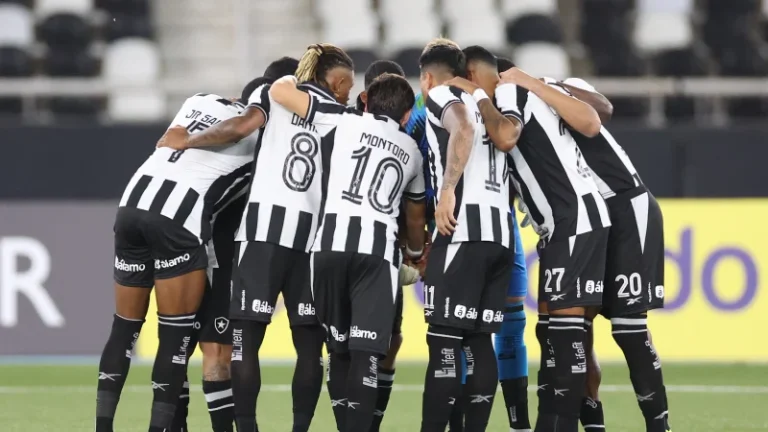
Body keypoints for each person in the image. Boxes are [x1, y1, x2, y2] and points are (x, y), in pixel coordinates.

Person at [159, 44, 354, 432]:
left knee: (245, 342)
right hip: (309, 242)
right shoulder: (341, 117)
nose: (349, 92)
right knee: (309, 350)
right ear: (337, 81)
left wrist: (189, 140)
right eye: (347, 84)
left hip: (261, 235)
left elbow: (240, 127)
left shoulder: (274, 92)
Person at [270, 71, 426, 432]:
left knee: (339, 350)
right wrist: (415, 254)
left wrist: (293, 78)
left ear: (366, 102)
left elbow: (283, 94)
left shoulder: (341, 121)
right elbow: (415, 218)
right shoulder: (412, 152)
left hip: (328, 248)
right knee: (367, 356)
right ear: (407, 115)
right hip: (376, 254)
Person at [97, 91, 259, 432]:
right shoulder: (262, 135)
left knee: (123, 329)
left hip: (132, 204)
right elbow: (238, 130)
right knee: (174, 337)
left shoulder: (198, 99)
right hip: (178, 217)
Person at [169, 57, 300, 432]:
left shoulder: (219, 130)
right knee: (218, 352)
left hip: (177, 243)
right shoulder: (258, 140)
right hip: (221, 254)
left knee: (177, 348)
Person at [493, 65, 612, 431]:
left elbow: (600, 114)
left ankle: (570, 422)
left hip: (577, 220)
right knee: (551, 333)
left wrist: (538, 83)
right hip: (558, 229)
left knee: (570, 335)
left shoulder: (520, 96)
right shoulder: (522, 108)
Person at [554, 78, 672, 432]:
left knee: (628, 329)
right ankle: (594, 424)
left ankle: (659, 427)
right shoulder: (510, 124)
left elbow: (603, 109)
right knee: (575, 326)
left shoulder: (556, 91)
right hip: (582, 219)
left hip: (623, 206)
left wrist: (548, 86)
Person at [418, 38, 517, 432]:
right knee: (478, 342)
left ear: (428, 78)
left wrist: (447, 190)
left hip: (463, 232)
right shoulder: (490, 105)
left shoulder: (443, 94)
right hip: (500, 236)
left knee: (444, 340)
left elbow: (462, 127)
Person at [442, 47, 531, 432]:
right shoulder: (450, 103)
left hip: (502, 225)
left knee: (507, 326)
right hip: (465, 225)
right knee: (464, 330)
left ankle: (519, 423)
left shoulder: (511, 105)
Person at [355, 59, 419, 432]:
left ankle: (370, 423)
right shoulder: (348, 125)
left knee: (390, 340)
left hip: (387, 251)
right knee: (349, 344)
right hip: (358, 248)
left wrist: (410, 250)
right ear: (367, 96)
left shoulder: (412, 134)